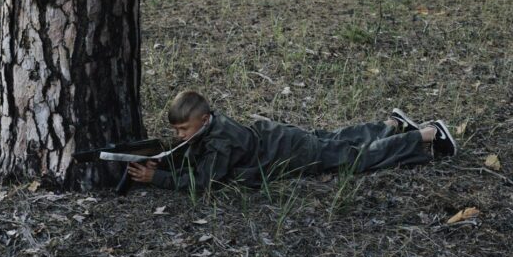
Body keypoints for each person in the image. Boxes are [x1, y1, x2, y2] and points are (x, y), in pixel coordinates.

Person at [126, 90, 456, 192]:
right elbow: (192, 155)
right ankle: (392, 123)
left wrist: (159, 178)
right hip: (282, 139)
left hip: (292, 153)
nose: (180, 136)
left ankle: (426, 134)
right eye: (178, 131)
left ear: (205, 120)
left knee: (355, 158)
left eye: (184, 129)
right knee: (336, 140)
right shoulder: (211, 127)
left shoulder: (220, 142)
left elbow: (204, 182)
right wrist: (167, 159)